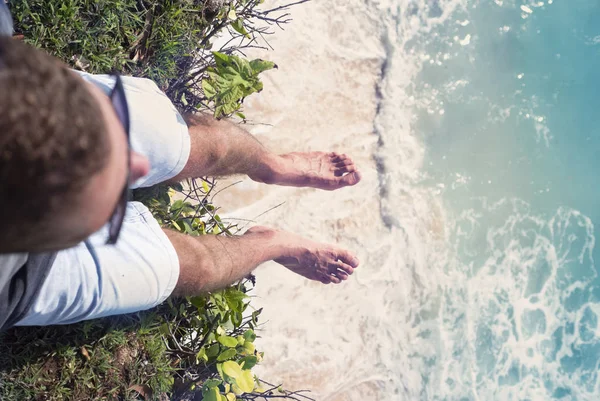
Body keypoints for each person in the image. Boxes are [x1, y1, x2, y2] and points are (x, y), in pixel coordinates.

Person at [0, 35, 361, 330]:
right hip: (20, 265)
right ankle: (272, 245)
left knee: (178, 142)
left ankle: (270, 165)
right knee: (190, 267)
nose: (137, 168)